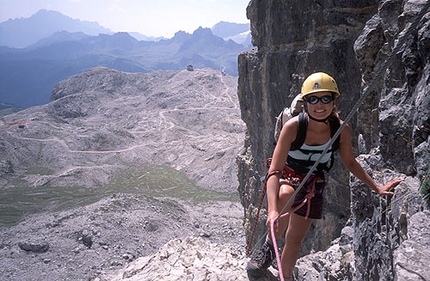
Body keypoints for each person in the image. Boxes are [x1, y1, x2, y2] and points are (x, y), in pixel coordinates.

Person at [246, 72, 403, 280]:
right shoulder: (293, 127)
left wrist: (377, 187)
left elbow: (350, 162)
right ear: (305, 103)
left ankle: (284, 277)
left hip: (313, 186)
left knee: (294, 240)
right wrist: (272, 211)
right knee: (285, 195)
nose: (319, 105)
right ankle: (269, 246)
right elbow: (274, 171)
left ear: (334, 101)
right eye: (313, 99)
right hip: (289, 177)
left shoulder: (340, 130)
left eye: (325, 98)